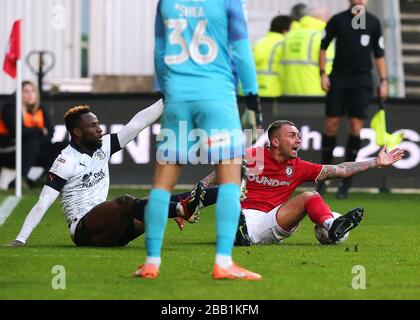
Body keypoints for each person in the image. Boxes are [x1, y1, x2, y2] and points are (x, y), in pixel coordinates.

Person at [137, 0, 263, 280]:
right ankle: (223, 262)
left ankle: (152, 262)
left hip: (178, 96)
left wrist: (169, 90)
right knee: (230, 179)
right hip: (217, 96)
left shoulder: (166, 2)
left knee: (161, 185)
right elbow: (242, 51)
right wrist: (253, 98)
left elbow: (159, 51)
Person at [12, 102, 206, 247]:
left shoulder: (104, 145)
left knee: (157, 200)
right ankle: (181, 210)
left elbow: (137, 123)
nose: (100, 129)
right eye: (93, 126)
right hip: (84, 230)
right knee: (126, 202)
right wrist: (21, 239)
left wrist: (166, 100)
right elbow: (43, 202)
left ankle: (215, 194)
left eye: (98, 124)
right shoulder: (65, 161)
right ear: (78, 132)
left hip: (114, 229)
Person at [196, 120, 404, 246]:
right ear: (275, 141)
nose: (298, 140)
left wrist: (376, 162)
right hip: (245, 214)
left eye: (299, 136)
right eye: (292, 136)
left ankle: (332, 226)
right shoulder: (253, 156)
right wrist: (189, 205)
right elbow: (216, 176)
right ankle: (240, 232)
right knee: (231, 202)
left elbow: (340, 170)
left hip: (274, 218)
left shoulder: (298, 166)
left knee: (309, 196)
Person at [318, 0, 388, 199]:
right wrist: (322, 73)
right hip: (339, 78)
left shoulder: (374, 22)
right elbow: (323, 46)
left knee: (355, 127)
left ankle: (346, 182)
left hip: (362, 81)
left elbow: (379, 53)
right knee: (331, 124)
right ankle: (323, 178)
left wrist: (383, 81)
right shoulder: (338, 20)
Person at [0, 81, 67, 188]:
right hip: (9, 151)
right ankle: (20, 179)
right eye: (26, 91)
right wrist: (39, 131)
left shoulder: (41, 109)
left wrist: (36, 133)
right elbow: (18, 132)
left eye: (33, 91)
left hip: (33, 151)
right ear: (19, 94)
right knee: (33, 138)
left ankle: (45, 178)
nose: (30, 94)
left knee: (64, 146)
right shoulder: (10, 108)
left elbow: (50, 135)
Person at [281, 6, 334, 96]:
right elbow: (329, 66)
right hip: (315, 93)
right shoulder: (322, 37)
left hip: (289, 93)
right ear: (323, 18)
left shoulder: (290, 35)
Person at [253, 15, 292, 97]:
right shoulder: (284, 43)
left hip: (252, 90)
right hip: (272, 90)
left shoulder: (259, 42)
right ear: (285, 31)